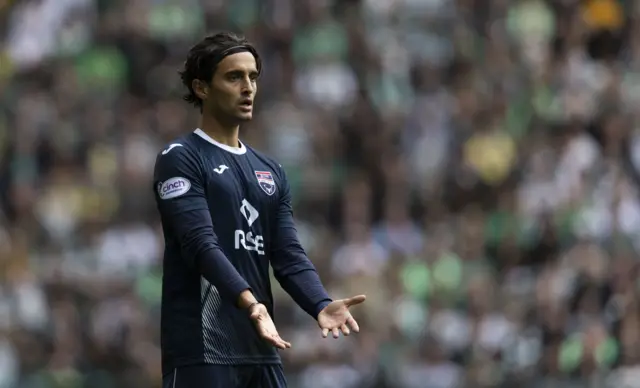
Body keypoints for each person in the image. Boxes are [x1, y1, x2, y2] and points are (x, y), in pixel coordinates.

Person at [153, 32, 366, 388]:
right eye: (234, 77)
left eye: (253, 77)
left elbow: (286, 254)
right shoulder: (181, 157)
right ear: (201, 88)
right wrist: (251, 303)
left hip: (261, 345)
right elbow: (199, 245)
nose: (248, 87)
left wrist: (319, 303)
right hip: (203, 347)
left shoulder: (271, 170)